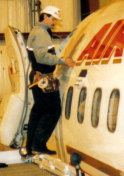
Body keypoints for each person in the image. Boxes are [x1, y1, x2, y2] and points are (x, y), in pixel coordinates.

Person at [25, 6, 75, 157]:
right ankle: (38, 144)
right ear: (45, 16)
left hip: (38, 75)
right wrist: (62, 61)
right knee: (54, 110)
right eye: (53, 19)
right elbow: (42, 57)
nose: (55, 22)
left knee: (39, 110)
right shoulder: (41, 34)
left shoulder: (37, 30)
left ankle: (31, 145)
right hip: (44, 78)